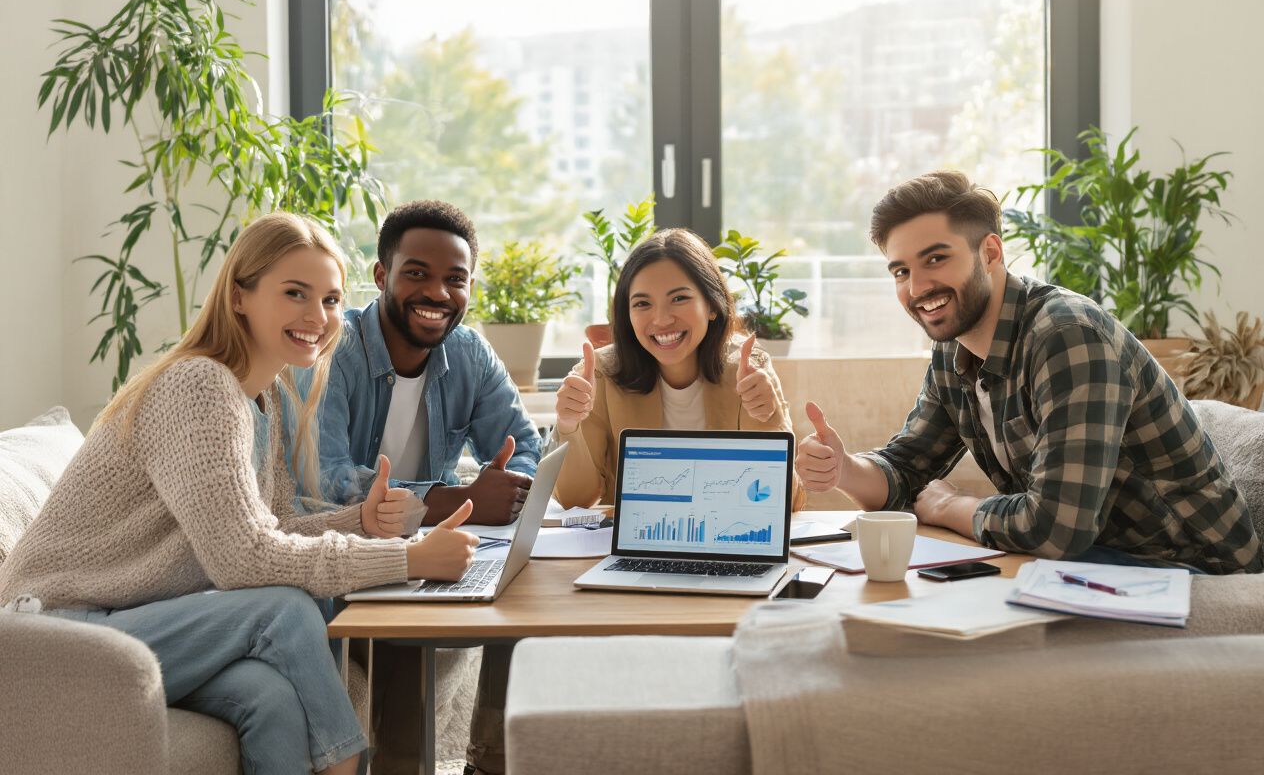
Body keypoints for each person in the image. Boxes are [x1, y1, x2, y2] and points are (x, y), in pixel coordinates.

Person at [0, 213, 480, 775]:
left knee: (268, 698)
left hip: (132, 622)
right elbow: (242, 561)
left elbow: (268, 532)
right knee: (284, 608)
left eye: (330, 300)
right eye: (295, 294)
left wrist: (360, 522)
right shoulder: (198, 386)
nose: (317, 317)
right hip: (50, 637)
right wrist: (406, 557)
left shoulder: (262, 400)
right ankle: (348, 763)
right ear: (239, 297)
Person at [795, 170, 1263, 574]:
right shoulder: (954, 345)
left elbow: (1057, 529)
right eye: (900, 271)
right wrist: (843, 470)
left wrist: (952, 506)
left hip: (1189, 569)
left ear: (991, 253)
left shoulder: (1067, 335)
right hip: (1094, 560)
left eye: (936, 259)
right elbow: (906, 471)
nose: (917, 288)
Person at [298, 199, 540, 775]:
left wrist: (510, 482)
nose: (437, 293)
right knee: (404, 626)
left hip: (425, 547)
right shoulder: (332, 350)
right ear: (381, 276)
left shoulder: (470, 352)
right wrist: (453, 500)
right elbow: (326, 483)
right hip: (345, 549)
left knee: (525, 589)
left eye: (455, 279)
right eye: (417, 274)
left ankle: (490, 763)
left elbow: (525, 446)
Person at [553, 227, 806, 511]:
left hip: (722, 544)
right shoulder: (600, 373)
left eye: (679, 298)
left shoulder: (749, 368)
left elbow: (788, 503)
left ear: (712, 304)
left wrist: (766, 420)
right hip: (638, 545)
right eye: (642, 303)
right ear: (627, 315)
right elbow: (576, 500)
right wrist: (568, 426)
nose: (661, 320)